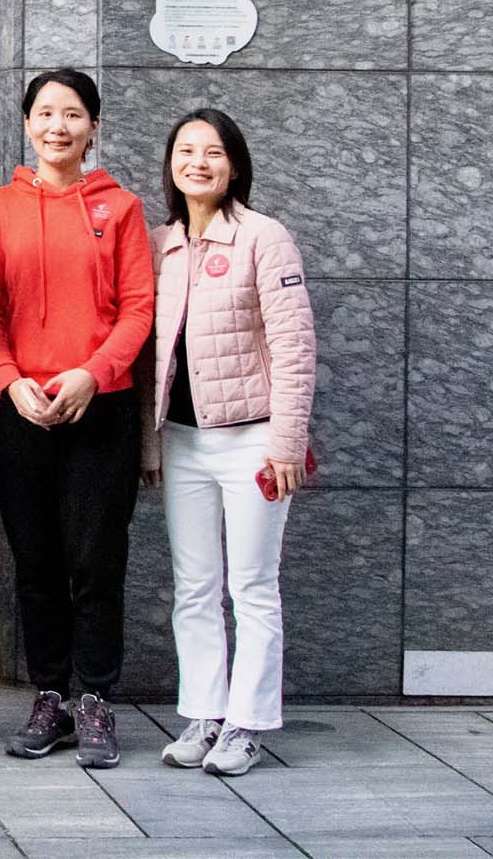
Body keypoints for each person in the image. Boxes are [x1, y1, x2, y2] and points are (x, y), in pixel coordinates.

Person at [0, 68, 154, 769]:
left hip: (101, 409)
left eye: (73, 114)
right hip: (22, 409)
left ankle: (96, 699)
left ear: (93, 128)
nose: (58, 126)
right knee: (37, 561)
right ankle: (50, 694)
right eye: (45, 113)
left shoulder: (122, 208)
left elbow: (138, 308)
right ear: (27, 125)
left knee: (97, 561)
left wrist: (93, 374)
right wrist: (8, 381)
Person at [139, 109, 316, 779]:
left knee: (253, 585)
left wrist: (287, 444)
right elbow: (151, 356)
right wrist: (150, 446)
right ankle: (204, 714)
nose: (198, 163)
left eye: (213, 152)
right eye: (185, 151)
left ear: (235, 165)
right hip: (183, 442)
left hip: (253, 441)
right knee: (194, 586)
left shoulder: (264, 238)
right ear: (171, 164)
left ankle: (247, 724)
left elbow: (294, 347)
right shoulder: (161, 243)